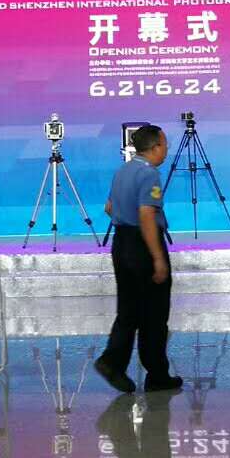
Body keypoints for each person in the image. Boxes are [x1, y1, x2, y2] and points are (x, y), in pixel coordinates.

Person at [95, 124, 182, 394]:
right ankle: (157, 375)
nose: (167, 149)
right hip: (142, 244)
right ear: (155, 147)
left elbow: (109, 207)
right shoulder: (149, 174)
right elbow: (146, 215)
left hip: (122, 242)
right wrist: (157, 257)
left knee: (129, 309)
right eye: (165, 144)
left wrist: (126, 223)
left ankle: (112, 362)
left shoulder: (123, 170)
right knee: (155, 312)